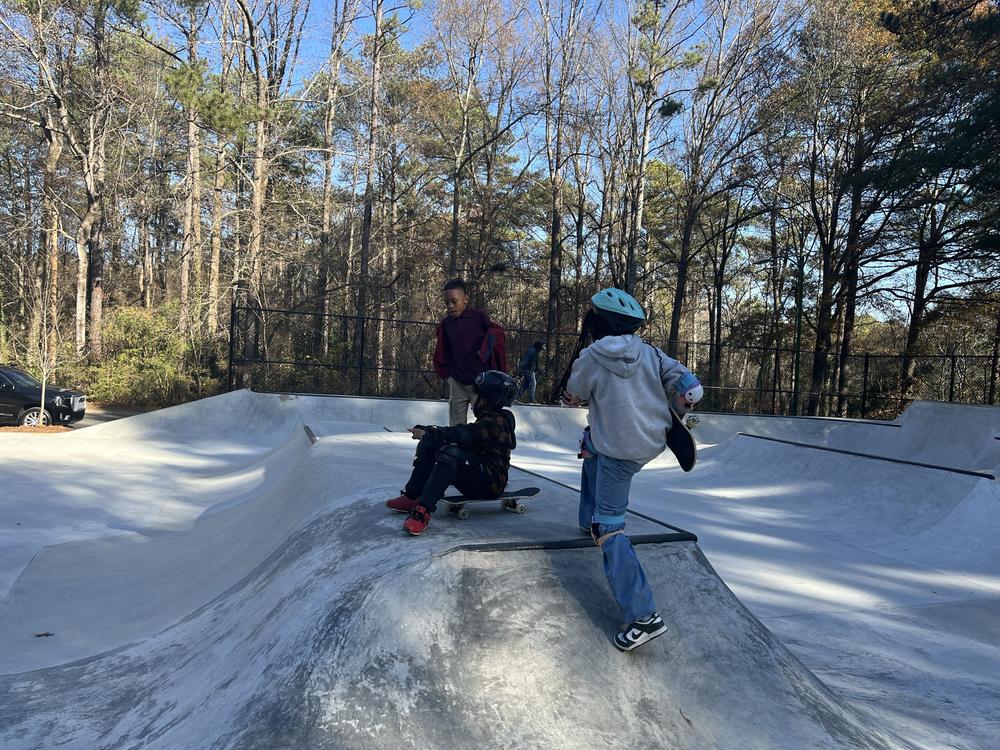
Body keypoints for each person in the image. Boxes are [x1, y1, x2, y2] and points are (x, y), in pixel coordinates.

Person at [561, 288, 704, 652]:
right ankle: (585, 516)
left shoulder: (590, 357)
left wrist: (573, 397)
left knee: (608, 528)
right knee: (590, 444)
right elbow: (690, 387)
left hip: (618, 453)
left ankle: (643, 615)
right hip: (650, 440)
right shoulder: (651, 353)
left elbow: (574, 392)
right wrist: (682, 402)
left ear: (596, 324)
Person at [384, 370, 518, 536]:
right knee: (431, 444)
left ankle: (423, 511)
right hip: (478, 469)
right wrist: (430, 434)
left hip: (491, 483)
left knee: (450, 453)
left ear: (487, 399)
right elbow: (464, 436)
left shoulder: (496, 422)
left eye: (475, 396)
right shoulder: (489, 418)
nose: (471, 401)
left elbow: (463, 433)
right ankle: (413, 496)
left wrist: (431, 432)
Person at [433, 278, 507, 426]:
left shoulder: (478, 317)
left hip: (479, 384)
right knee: (456, 425)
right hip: (457, 383)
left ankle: (483, 449)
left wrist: (486, 351)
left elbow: (496, 334)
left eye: (454, 301)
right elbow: (443, 351)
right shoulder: (446, 324)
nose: (450, 306)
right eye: (446, 302)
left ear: (465, 299)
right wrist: (449, 377)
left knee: (487, 423)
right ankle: (455, 448)